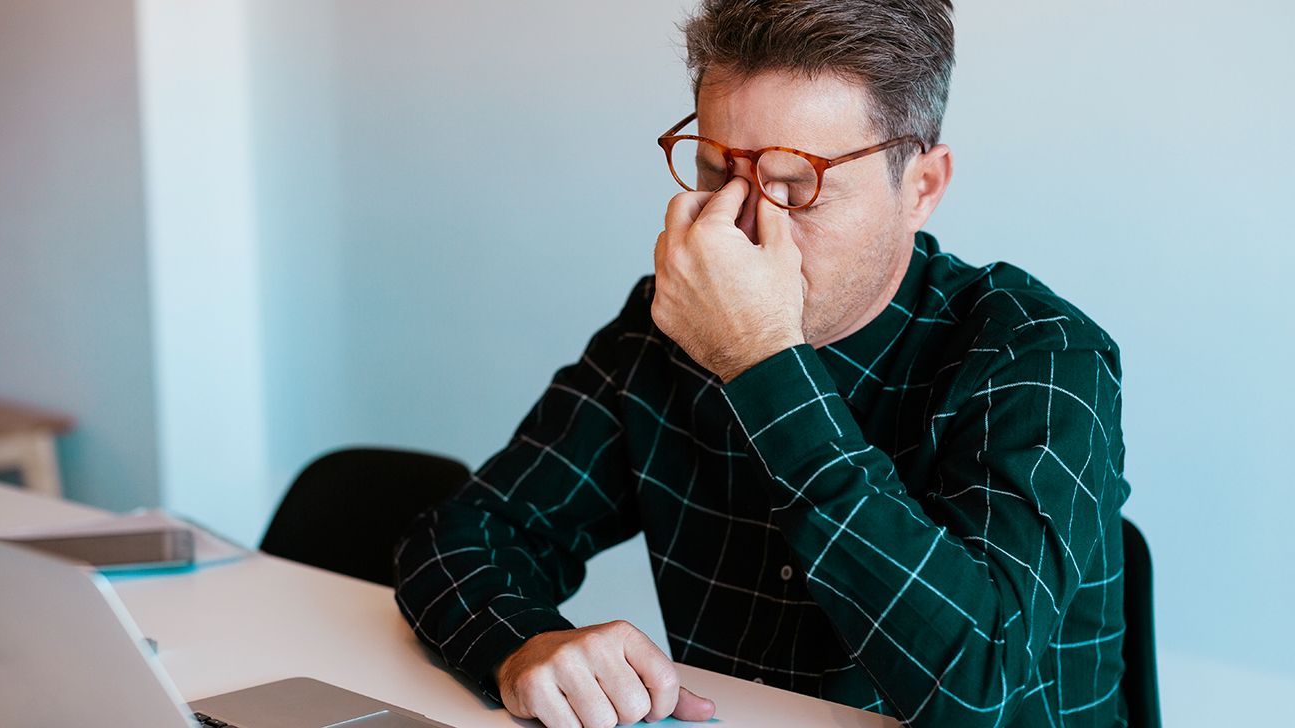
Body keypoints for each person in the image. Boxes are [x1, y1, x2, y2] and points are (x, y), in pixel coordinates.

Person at [395, 1, 1129, 726]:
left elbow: (979, 686)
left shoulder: (1042, 356)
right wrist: (522, 644)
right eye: (719, 173)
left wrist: (762, 363)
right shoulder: (670, 325)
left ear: (921, 188)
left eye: (798, 185)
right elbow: (466, 534)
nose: (743, 229)